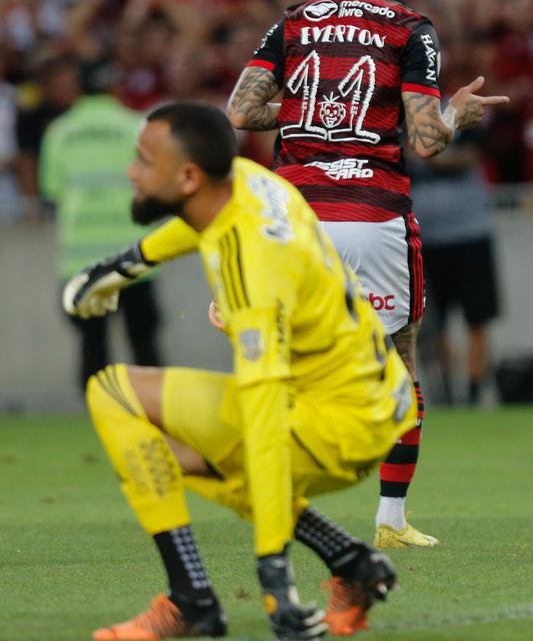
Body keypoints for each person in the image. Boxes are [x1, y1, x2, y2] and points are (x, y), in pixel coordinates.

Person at [63, 101, 417, 641]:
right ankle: (350, 563)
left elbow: (267, 424)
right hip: (377, 395)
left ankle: (192, 601)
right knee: (153, 444)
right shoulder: (250, 180)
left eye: (142, 160)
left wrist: (275, 578)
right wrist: (124, 266)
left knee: (135, 415)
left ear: (187, 176)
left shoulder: (252, 271)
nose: (132, 171)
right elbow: (197, 221)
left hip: (339, 426)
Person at [227, 0, 510, 548]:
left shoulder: (295, 21)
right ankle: (390, 521)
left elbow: (241, 110)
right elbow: (427, 139)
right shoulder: (411, 27)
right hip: (372, 213)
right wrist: (458, 114)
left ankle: (274, 499)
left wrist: (304, 112)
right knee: (399, 361)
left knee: (284, 363)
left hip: (294, 214)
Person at [40, 60, 162, 391]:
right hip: (133, 256)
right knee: (144, 345)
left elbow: (52, 190)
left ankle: (98, 417)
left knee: (93, 347)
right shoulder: (135, 126)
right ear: (114, 87)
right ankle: (155, 414)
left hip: (82, 261)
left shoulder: (59, 132)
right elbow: (154, 184)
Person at [409, 128, 500, 405]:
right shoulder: (411, 112)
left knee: (477, 317)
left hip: (470, 233)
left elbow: (469, 157)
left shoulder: (469, 115)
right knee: (435, 321)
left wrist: (428, 158)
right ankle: (446, 390)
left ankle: (474, 389)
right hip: (427, 237)